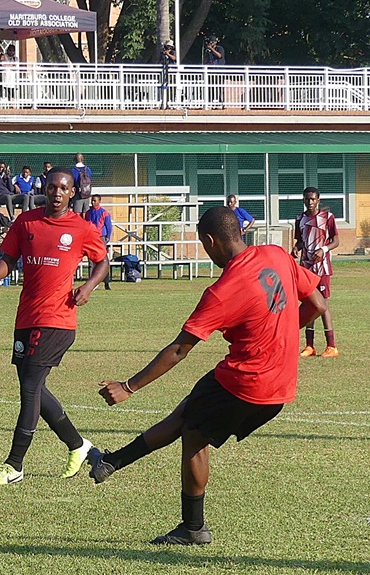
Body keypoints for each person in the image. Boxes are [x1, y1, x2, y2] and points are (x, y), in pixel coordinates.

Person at [88, 206, 327, 546]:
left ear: (210, 241)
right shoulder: (277, 255)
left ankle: (193, 528)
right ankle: (109, 462)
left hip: (246, 381)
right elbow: (317, 304)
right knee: (190, 411)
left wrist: (129, 386)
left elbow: (179, 350)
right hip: (281, 385)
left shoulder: (224, 289)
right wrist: (283, 331)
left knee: (194, 433)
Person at [0, 167, 109, 486]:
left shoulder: (80, 228)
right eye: (51, 187)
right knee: (33, 385)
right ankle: (80, 447)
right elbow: (9, 257)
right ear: (44, 189)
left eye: (63, 188)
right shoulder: (27, 222)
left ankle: (14, 465)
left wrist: (88, 287)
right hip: (26, 317)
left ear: (72, 193)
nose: (56, 193)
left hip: (57, 320)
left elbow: (102, 262)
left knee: (30, 388)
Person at [293, 187, 340, 358]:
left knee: (323, 304)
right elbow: (300, 241)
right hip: (306, 268)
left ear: (318, 200)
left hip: (322, 269)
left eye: (313, 199)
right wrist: (295, 249)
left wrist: (324, 249)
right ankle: (309, 346)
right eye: (307, 199)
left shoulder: (328, 218)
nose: (310, 202)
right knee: (309, 305)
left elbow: (336, 241)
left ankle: (331, 346)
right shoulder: (300, 219)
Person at [85, 195, 113, 290]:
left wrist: (107, 237)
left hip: (101, 237)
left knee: (103, 259)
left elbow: (108, 226)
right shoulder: (89, 213)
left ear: (99, 201)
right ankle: (92, 282)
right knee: (91, 260)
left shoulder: (104, 213)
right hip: (91, 238)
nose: (92, 202)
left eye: (94, 201)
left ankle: (106, 282)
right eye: (92, 201)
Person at [202, 35, 226, 106]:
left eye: (211, 42)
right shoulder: (207, 51)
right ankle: (210, 102)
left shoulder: (219, 48)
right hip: (210, 71)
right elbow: (206, 60)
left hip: (219, 71)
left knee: (219, 87)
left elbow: (219, 56)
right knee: (210, 87)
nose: (210, 44)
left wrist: (212, 49)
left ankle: (220, 103)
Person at [160, 43, 176, 109]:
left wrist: (168, 54)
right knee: (164, 86)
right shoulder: (162, 53)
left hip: (172, 73)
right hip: (164, 72)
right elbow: (160, 61)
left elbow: (174, 58)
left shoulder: (173, 52)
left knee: (172, 88)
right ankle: (164, 103)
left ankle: (171, 102)